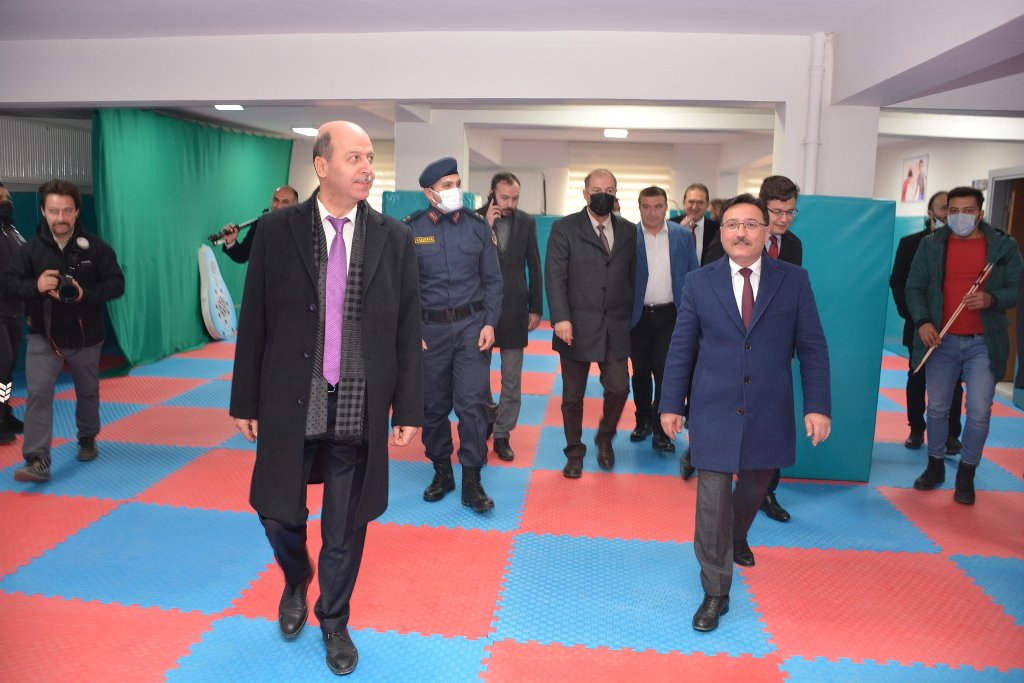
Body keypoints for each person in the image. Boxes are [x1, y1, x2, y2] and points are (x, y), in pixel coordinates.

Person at [230, 121, 423, 676]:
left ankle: (334, 619)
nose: (367, 169)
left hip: (360, 403)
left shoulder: (394, 237)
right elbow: (255, 318)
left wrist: (408, 407)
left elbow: (408, 328)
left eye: (370, 158)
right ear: (321, 165)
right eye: (355, 158)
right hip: (290, 398)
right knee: (275, 513)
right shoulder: (277, 230)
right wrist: (244, 400)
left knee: (346, 525)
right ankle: (296, 576)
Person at [660, 193, 831, 633]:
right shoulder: (699, 282)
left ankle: (737, 534)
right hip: (713, 405)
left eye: (751, 224)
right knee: (712, 500)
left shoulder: (794, 280)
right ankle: (716, 589)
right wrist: (670, 405)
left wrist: (818, 406)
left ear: (767, 230)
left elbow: (812, 346)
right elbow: (681, 348)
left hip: (768, 405)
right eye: (733, 225)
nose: (741, 232)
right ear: (721, 233)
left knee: (755, 486)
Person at [906, 186, 1022, 506]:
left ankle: (967, 473)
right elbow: (914, 287)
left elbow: (1017, 288)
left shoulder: (1003, 246)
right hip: (940, 341)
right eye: (953, 210)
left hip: (984, 342)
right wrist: (923, 322)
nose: (959, 216)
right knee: (937, 408)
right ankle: (934, 466)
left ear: (980, 214)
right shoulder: (931, 245)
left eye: (967, 211)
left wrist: (991, 298)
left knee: (980, 411)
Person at [8, 179, 124, 482]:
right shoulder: (29, 250)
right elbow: (9, 285)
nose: (61, 218)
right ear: (43, 211)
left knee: (88, 391)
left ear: (77, 211)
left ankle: (87, 437)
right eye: (54, 211)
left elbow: (116, 283)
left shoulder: (95, 247)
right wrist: (36, 286)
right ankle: (37, 460)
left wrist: (85, 293)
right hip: (43, 335)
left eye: (67, 211)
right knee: (38, 394)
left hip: (87, 336)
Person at [406, 157, 503, 512]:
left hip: (471, 329)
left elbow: (493, 281)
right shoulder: (410, 230)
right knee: (432, 406)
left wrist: (490, 323)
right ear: (429, 193)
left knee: (472, 405)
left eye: (457, 184)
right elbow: (403, 290)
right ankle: (442, 471)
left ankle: (472, 481)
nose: (455, 191)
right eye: (447, 186)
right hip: (429, 331)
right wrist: (411, 331)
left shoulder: (478, 228)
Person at [545, 168, 636, 477]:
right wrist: (561, 318)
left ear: (616, 194)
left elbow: (633, 277)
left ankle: (605, 436)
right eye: (597, 190)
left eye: (609, 191)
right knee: (573, 396)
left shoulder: (628, 230)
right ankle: (574, 451)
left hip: (615, 325)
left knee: (620, 388)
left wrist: (629, 318)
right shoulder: (564, 228)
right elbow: (555, 276)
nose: (603, 196)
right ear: (585, 194)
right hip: (575, 325)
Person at [890, 190, 964, 453]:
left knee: (954, 381)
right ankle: (916, 428)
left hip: (954, 325)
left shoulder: (963, 246)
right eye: (944, 208)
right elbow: (898, 281)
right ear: (931, 213)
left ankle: (951, 434)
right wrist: (912, 315)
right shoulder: (911, 243)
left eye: (953, 209)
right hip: (919, 324)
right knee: (917, 376)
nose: (949, 214)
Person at [477, 172, 542, 462]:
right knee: (477, 376)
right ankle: (488, 413)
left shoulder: (526, 222)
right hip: (481, 310)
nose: (510, 204)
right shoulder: (473, 219)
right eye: (504, 198)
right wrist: (486, 227)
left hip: (515, 308)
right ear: (492, 193)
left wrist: (536, 307)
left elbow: (534, 264)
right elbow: (467, 260)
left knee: (512, 378)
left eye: (515, 198)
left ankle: (503, 432)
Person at [629, 186, 698, 453]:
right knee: (640, 371)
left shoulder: (682, 236)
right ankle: (642, 421)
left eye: (658, 206)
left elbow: (692, 274)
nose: (652, 212)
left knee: (665, 372)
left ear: (666, 208)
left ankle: (661, 431)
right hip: (637, 316)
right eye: (646, 206)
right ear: (639, 208)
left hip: (671, 315)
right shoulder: (628, 236)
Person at [0, 182, 26, 443]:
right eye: (0, 198)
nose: (6, 202)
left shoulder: (13, 231)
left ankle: (4, 411)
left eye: (6, 197)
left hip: (14, 308)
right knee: (2, 362)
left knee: (8, 368)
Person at [220, 185, 299, 263]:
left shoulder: (302, 229)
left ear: (295, 206)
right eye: (276, 200)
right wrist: (231, 241)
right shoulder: (260, 224)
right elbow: (242, 255)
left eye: (285, 202)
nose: (278, 206)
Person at [669, 183, 720, 265]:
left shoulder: (716, 229)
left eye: (700, 202)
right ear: (684, 202)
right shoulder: (670, 225)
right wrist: (680, 232)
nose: (694, 207)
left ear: (707, 205)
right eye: (691, 202)